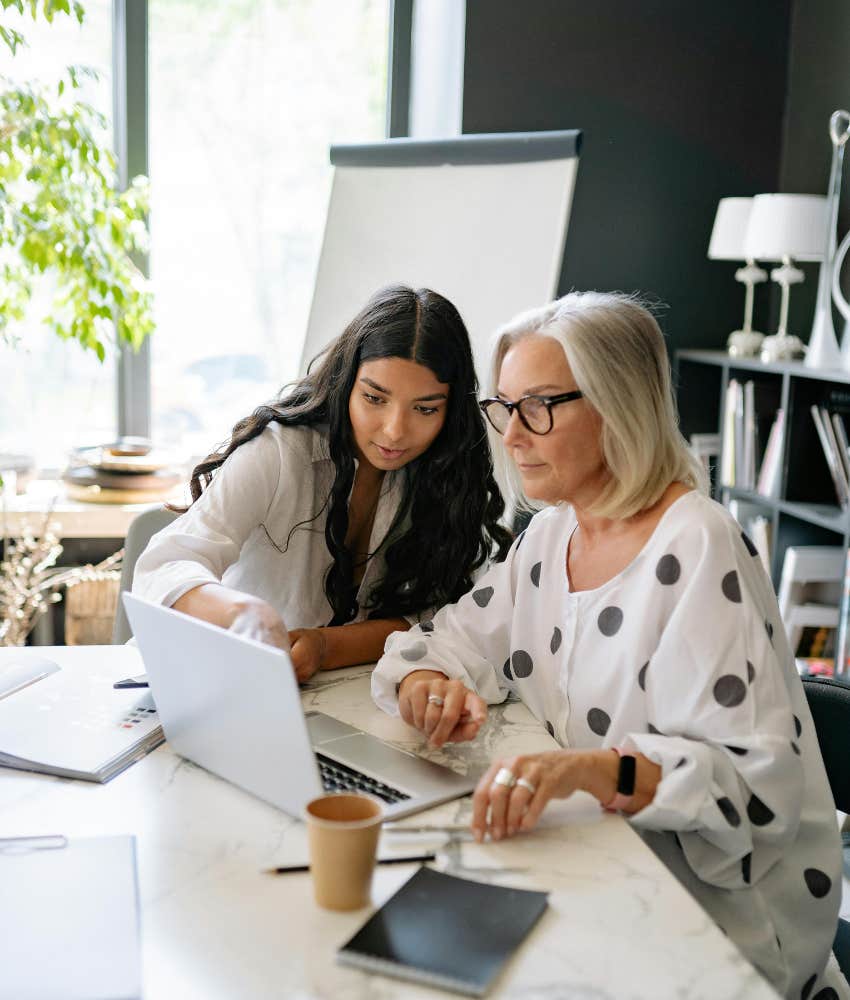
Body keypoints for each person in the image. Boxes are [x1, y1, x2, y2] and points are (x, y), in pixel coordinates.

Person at [371, 291, 847, 999]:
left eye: (538, 406)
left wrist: (589, 771)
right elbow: (449, 643)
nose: (512, 436)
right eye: (503, 407)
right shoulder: (551, 535)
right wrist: (425, 685)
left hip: (718, 925)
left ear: (617, 404)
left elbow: (752, 794)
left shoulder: (698, 543)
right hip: (596, 860)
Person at [133, 284, 511, 680]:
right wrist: (242, 612)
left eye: (425, 408)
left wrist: (325, 647)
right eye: (375, 399)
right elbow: (166, 564)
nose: (395, 431)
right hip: (219, 681)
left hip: (341, 698)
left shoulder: (443, 478)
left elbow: (440, 619)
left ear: (451, 412)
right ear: (347, 382)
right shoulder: (278, 453)